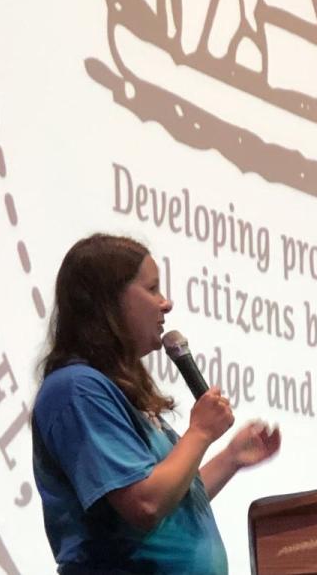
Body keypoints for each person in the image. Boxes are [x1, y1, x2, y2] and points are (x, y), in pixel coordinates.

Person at [32, 233, 280, 574]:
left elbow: (170, 505)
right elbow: (145, 504)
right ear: (109, 300)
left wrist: (230, 459)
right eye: (151, 289)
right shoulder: (75, 390)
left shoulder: (116, 394)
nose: (165, 303)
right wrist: (200, 432)